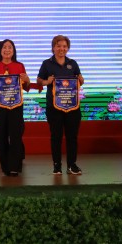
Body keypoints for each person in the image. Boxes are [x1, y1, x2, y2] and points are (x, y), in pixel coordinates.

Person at [37, 34, 85, 176]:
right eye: (58, 46)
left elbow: (80, 80)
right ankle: (57, 165)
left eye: (64, 46)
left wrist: (81, 79)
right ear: (53, 48)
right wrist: (46, 81)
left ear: (68, 48)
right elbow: (39, 80)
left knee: (72, 137)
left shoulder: (73, 63)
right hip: (54, 107)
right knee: (56, 137)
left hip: (72, 107)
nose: (61, 49)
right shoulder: (47, 63)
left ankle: (72, 165)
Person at [0, 39, 30, 176]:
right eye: (4, 47)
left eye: (10, 47)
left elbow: (26, 87)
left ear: (13, 50)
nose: (7, 50)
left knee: (16, 134)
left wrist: (27, 80)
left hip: (16, 103)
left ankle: (15, 166)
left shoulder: (19, 66)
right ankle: (5, 167)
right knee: (2, 134)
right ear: (0, 50)